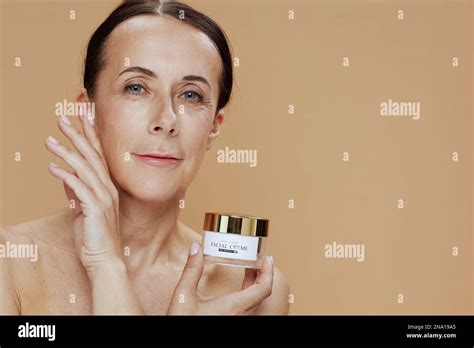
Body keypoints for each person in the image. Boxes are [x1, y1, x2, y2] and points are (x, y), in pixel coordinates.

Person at [0, 0, 290, 315]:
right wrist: (105, 262)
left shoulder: (250, 292)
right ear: (88, 111)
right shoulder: (10, 262)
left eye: (191, 95)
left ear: (213, 128)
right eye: (136, 88)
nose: (166, 119)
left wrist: (107, 265)